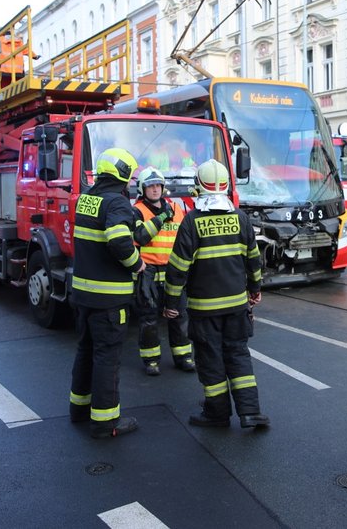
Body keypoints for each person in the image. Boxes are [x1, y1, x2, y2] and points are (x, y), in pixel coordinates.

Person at [163, 160, 268, 430]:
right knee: (238, 354)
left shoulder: (192, 222)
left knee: (211, 360)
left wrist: (172, 303)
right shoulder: (240, 218)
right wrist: (255, 290)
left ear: (199, 187)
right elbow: (254, 260)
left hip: (204, 309)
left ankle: (217, 414)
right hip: (236, 307)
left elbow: (177, 269)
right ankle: (250, 412)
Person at [68, 148, 155, 439]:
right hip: (109, 298)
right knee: (107, 358)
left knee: (86, 350)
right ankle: (106, 423)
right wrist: (138, 263)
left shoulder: (86, 200)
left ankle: (79, 410)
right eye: (129, 177)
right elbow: (119, 242)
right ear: (123, 175)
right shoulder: (116, 203)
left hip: (83, 293)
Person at [131, 166, 196, 376]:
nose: (155, 190)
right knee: (149, 319)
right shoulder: (137, 210)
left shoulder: (176, 209)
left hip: (173, 271)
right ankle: (151, 361)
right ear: (143, 189)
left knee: (179, 315)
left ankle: (184, 357)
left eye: (158, 185)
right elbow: (141, 236)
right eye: (150, 186)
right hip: (148, 272)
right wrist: (161, 218)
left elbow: (186, 239)